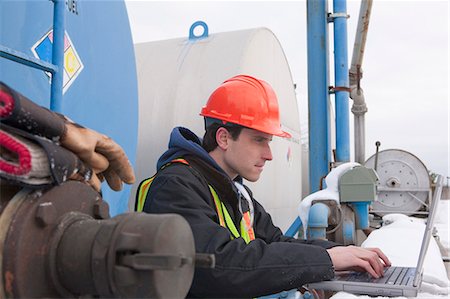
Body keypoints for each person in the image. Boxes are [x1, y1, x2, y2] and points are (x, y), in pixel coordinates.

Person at [137, 75, 390, 298]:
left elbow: (275, 241)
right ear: (223, 137)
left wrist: (342, 254)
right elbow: (219, 266)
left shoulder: (237, 192)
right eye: (259, 140)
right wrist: (326, 260)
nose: (269, 155)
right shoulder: (175, 186)